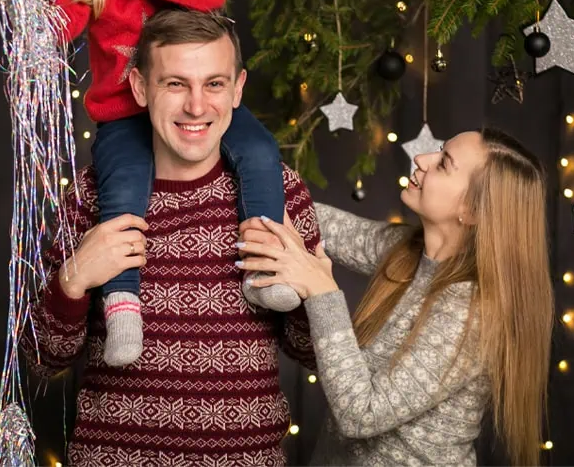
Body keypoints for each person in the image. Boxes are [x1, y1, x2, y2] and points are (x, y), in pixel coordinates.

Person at [22, 9, 320, 466]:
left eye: (214, 84)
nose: (197, 107)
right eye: (175, 84)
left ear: (238, 88)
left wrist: (312, 291)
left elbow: (310, 353)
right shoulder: (90, 194)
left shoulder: (281, 194)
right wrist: (72, 282)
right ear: (141, 88)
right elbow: (42, 359)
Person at [54, 0, 297, 368]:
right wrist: (30, 19)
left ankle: (263, 266)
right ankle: (122, 303)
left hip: (192, 112)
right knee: (122, 193)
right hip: (122, 114)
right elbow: (60, 27)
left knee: (258, 153)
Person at [236, 128, 554, 466]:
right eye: (439, 150)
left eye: (444, 163)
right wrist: (251, 172)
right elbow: (314, 220)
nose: (422, 158)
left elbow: (361, 414)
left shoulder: (471, 313)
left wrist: (322, 291)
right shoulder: (409, 251)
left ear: (472, 210)